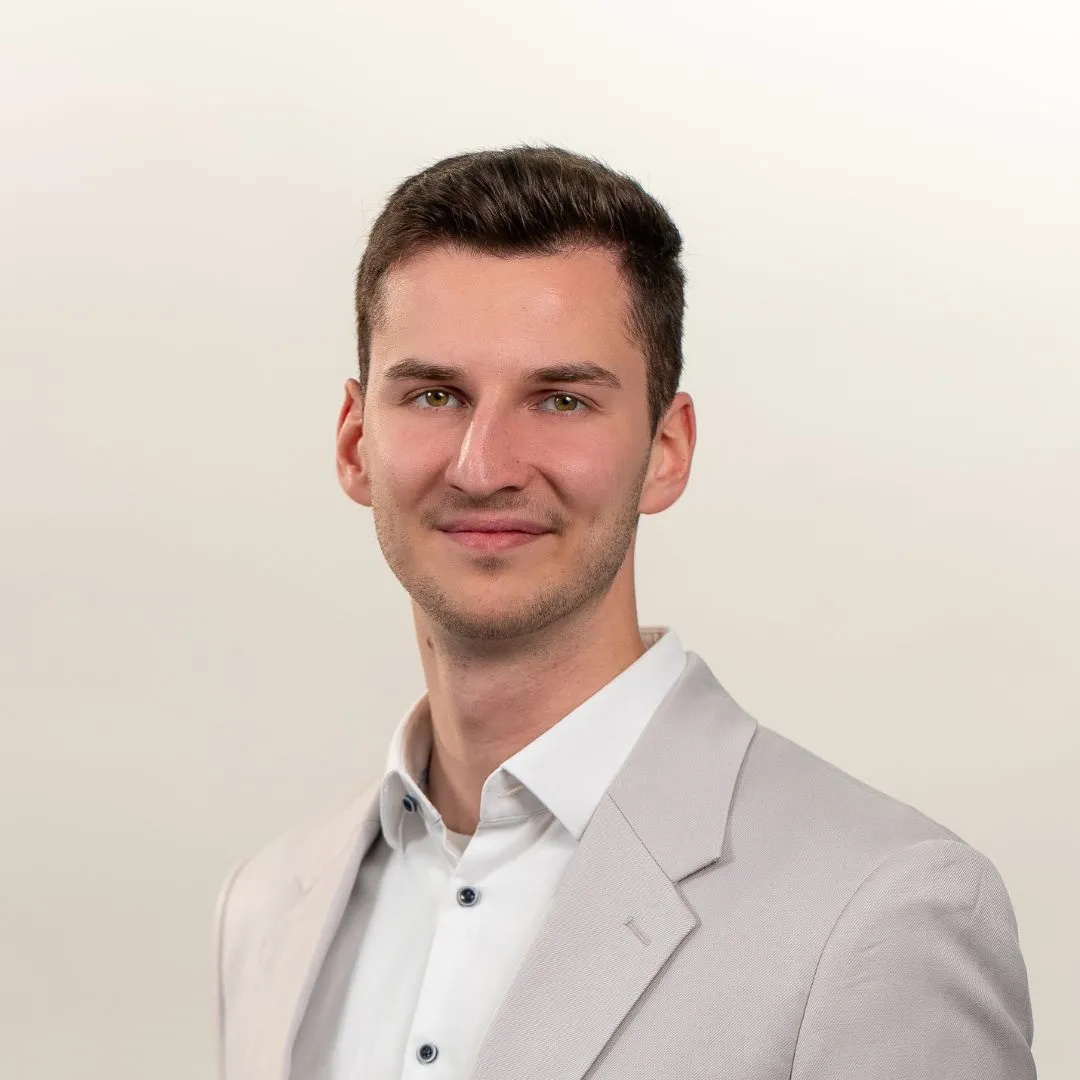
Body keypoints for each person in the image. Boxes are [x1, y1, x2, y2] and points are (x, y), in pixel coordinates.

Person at [212, 146, 1035, 1080]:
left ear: (668, 449)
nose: (484, 467)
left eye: (561, 399)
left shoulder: (883, 911)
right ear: (357, 442)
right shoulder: (267, 906)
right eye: (435, 394)